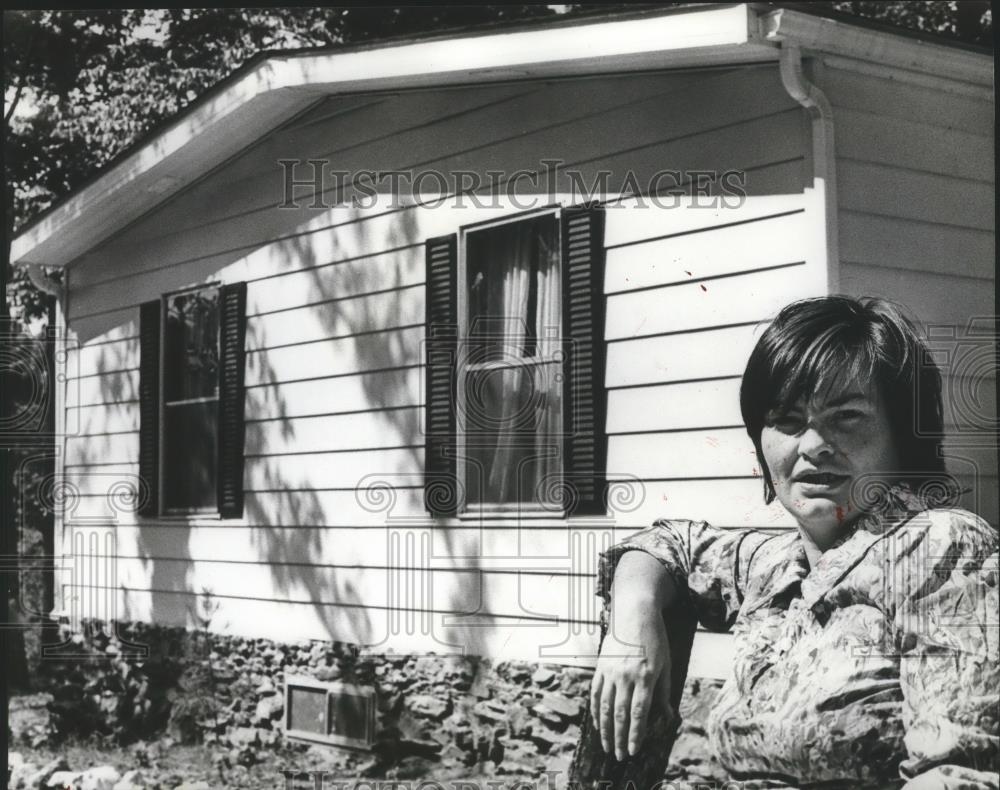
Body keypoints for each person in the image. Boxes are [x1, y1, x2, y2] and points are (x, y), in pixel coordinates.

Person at [589, 296, 999, 789]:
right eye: (787, 420)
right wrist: (632, 624)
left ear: (903, 432)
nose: (812, 445)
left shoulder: (940, 549)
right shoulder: (777, 566)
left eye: (846, 416)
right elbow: (670, 543)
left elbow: (960, 773)